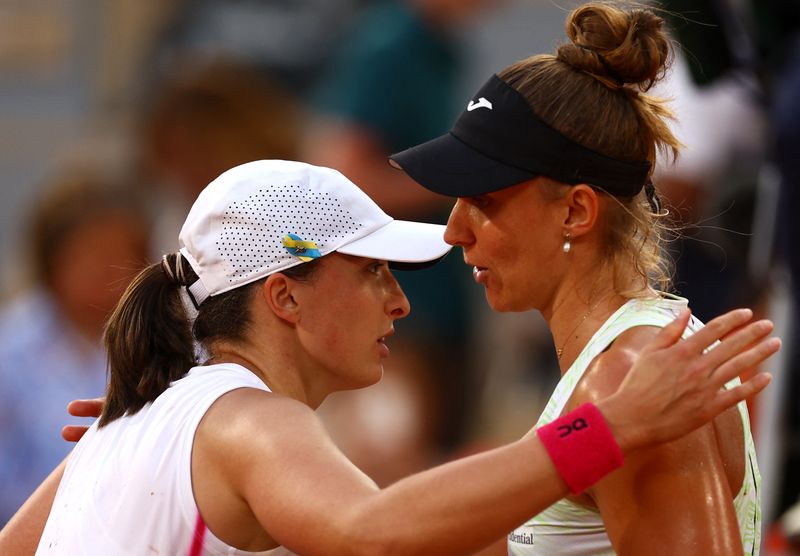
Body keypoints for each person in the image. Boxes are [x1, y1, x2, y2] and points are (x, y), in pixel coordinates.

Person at [0, 160, 777, 556]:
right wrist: (608, 429)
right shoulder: (247, 422)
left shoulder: (136, 426)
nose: (399, 301)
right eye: (371, 271)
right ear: (284, 297)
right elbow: (374, 533)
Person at [389, 3, 768, 554]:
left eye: (481, 199)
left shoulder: (623, 376)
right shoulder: (625, 361)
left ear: (575, 212)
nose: (454, 231)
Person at [0, 169, 150, 526]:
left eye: (118, 254)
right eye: (89, 255)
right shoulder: (11, 349)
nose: (105, 271)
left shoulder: (167, 342)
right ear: (51, 261)